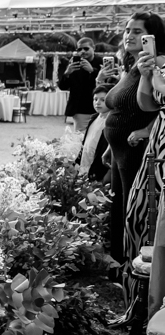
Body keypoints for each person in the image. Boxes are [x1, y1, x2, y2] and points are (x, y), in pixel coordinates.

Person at [98, 14, 163, 265]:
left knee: (133, 210)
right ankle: (118, 264)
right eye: (127, 30)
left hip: (139, 150)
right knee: (118, 205)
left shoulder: (156, 64)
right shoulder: (133, 66)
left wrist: (147, 130)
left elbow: (157, 107)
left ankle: (131, 266)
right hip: (119, 150)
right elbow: (118, 108)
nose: (129, 35)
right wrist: (110, 148)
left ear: (153, 37)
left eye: (138, 32)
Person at [58, 36, 98, 130]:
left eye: (86, 48)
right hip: (80, 110)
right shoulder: (74, 64)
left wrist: (92, 71)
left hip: (99, 108)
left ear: (94, 48)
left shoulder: (101, 62)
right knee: (81, 138)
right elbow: (62, 87)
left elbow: (107, 84)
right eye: (79, 49)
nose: (82, 51)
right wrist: (66, 74)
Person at [77, 84, 111, 183]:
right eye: (95, 99)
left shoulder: (112, 121)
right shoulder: (94, 118)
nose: (98, 103)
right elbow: (85, 142)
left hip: (100, 168)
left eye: (103, 100)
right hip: (86, 164)